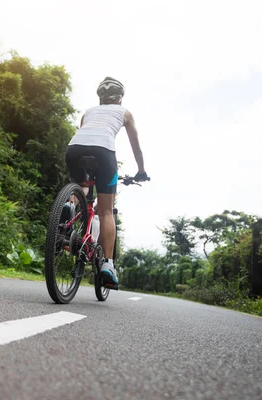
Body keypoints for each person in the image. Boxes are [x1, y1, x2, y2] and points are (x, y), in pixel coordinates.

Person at [65, 77, 148, 289]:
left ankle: (70, 205)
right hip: (104, 152)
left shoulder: (89, 112)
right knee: (106, 211)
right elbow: (135, 145)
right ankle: (108, 265)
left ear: (100, 98)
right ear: (120, 97)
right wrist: (141, 170)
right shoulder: (125, 113)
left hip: (74, 149)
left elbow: (85, 134)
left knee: (83, 184)